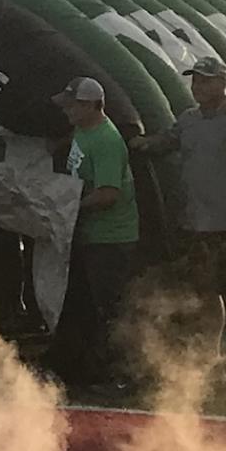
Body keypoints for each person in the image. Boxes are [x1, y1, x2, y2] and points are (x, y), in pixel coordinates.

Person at [130, 55, 226, 383]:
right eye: (195, 80)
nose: (198, 86)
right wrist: (142, 142)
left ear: (222, 84)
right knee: (207, 290)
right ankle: (212, 357)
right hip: (197, 221)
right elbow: (167, 141)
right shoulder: (188, 119)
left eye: (205, 80)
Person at [49, 76, 139, 391]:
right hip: (92, 236)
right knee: (83, 304)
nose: (67, 111)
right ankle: (81, 368)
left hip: (111, 239)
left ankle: (120, 374)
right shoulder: (83, 131)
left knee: (110, 308)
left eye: (72, 105)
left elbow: (108, 193)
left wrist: (72, 205)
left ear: (90, 106)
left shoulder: (106, 141)